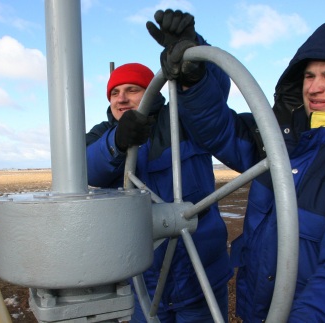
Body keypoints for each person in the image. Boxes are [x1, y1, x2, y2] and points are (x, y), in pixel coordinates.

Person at [154, 17, 325, 322]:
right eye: (309, 76)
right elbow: (220, 131)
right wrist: (195, 78)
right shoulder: (280, 137)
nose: (314, 87)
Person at [85, 10, 233, 322]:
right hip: (142, 280)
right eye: (115, 92)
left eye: (132, 90)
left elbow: (213, 99)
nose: (122, 99)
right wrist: (117, 142)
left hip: (199, 272)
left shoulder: (184, 119)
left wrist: (192, 52)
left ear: (151, 90)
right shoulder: (101, 135)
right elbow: (86, 169)